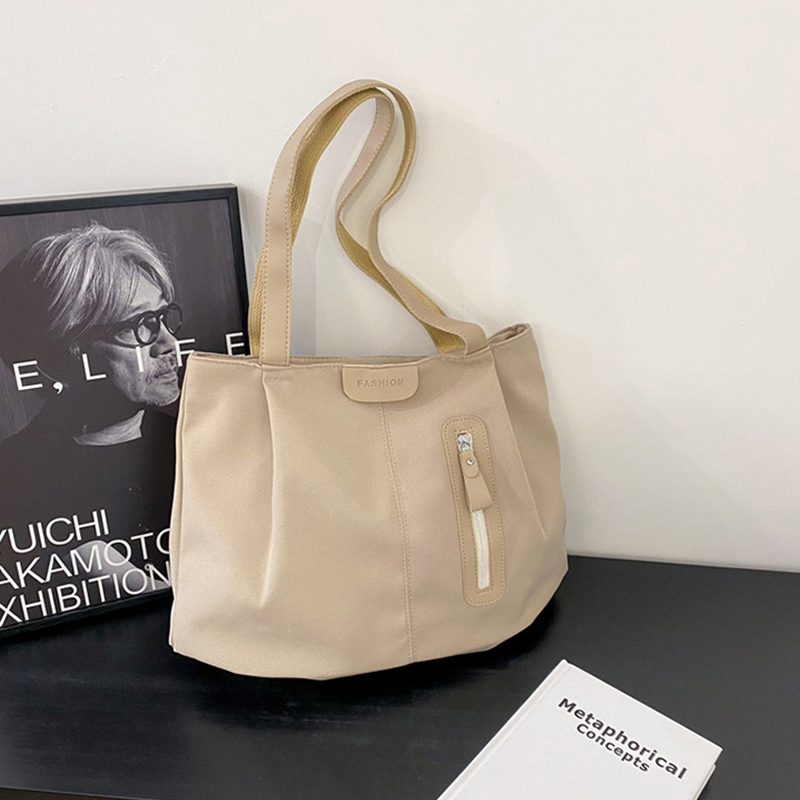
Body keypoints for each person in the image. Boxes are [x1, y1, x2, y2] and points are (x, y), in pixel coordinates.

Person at [0, 224, 181, 626]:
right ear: (65, 352)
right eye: (141, 325)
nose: (169, 344)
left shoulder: (206, 442)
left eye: (163, 317)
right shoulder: (12, 483)